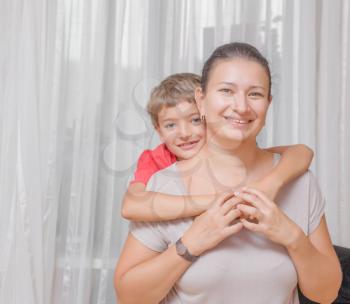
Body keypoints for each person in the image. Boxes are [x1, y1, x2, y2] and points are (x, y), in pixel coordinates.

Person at [115, 43, 342, 304]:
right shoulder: (164, 184)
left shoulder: (299, 182)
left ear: (268, 104)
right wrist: (190, 244)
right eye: (226, 91)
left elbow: (325, 294)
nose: (242, 107)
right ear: (201, 100)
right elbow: (128, 297)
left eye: (255, 94)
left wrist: (290, 235)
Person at [121, 73, 313, 222]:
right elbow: (131, 206)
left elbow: (302, 152)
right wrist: (221, 201)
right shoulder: (155, 158)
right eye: (171, 125)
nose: (185, 133)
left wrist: (271, 184)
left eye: (195, 120)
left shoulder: (231, 149)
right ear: (159, 131)